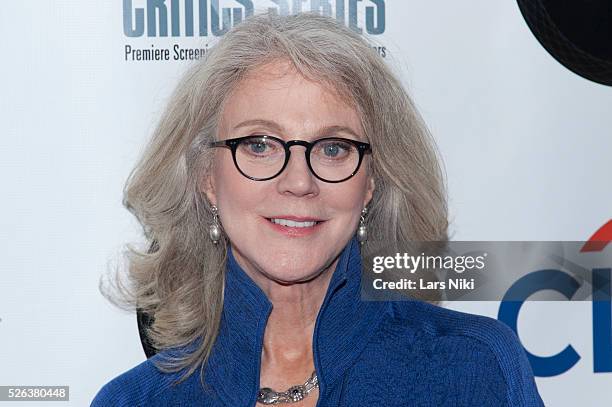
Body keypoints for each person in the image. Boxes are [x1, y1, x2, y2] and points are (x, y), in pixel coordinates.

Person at [92, 11, 545, 407]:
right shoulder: (133, 401)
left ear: (370, 184)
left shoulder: (472, 369)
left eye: (332, 148)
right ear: (206, 178)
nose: (299, 182)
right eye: (260, 144)